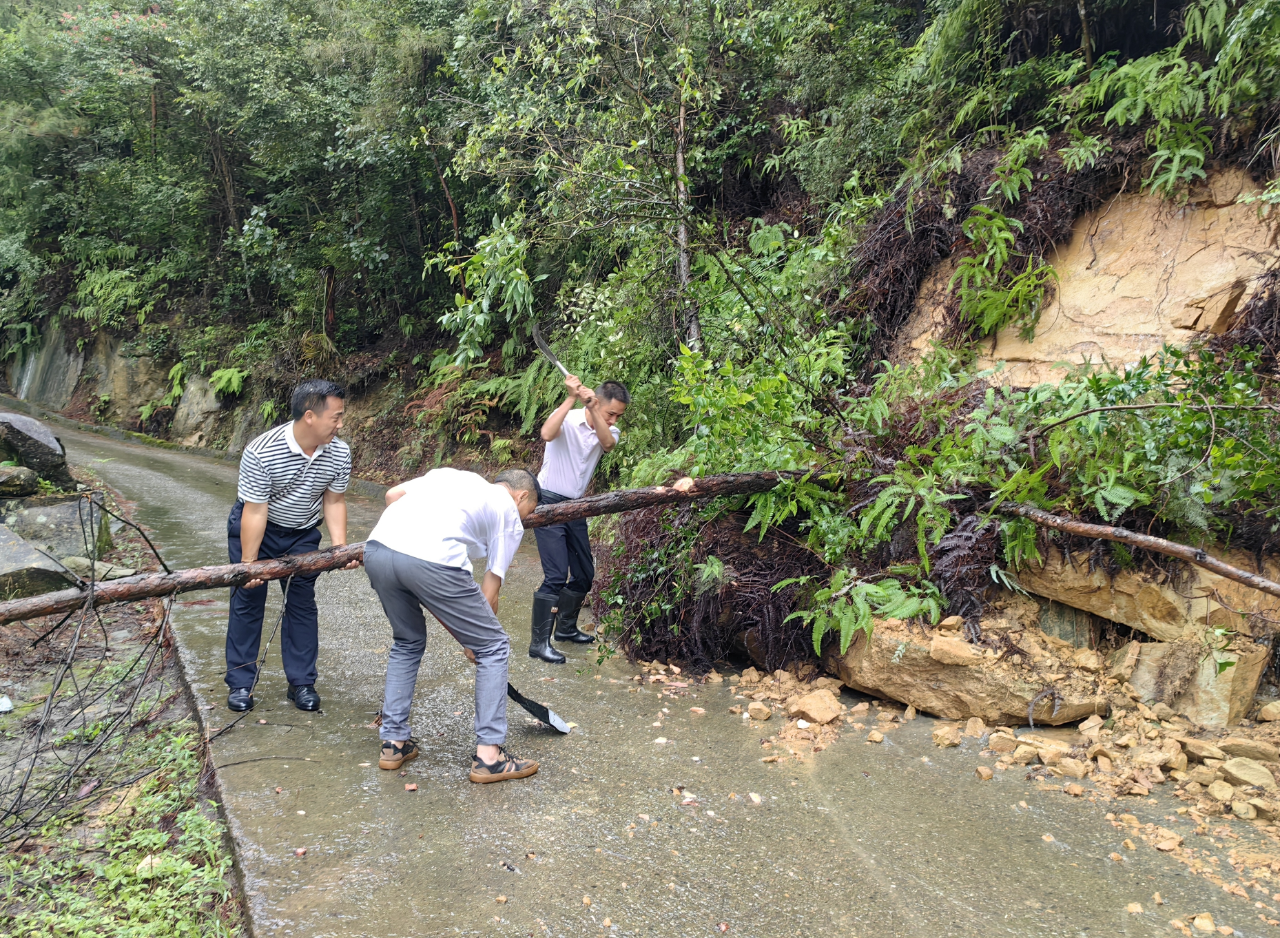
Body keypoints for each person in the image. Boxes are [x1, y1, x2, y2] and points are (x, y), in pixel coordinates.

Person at [363, 467, 542, 783]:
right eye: (528, 512)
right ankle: (490, 758)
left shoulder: (453, 477)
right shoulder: (508, 513)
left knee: (407, 640)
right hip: (431, 559)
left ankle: (394, 743)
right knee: (494, 646)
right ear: (522, 495)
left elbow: (392, 495)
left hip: (378, 548)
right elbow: (491, 589)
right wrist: (476, 642)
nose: (524, 519)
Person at [224, 379, 357, 713]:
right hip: (258, 527)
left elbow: (334, 501)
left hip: (302, 533)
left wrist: (340, 549)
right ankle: (241, 684)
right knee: (248, 599)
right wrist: (249, 564)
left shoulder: (339, 451)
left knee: (301, 603)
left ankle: (301, 683)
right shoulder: (261, 451)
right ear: (310, 416)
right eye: (336, 417)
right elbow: (255, 510)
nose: (340, 424)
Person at [529, 375, 629, 664]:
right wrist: (572, 397)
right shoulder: (568, 419)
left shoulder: (608, 429)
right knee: (556, 575)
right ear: (597, 401)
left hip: (577, 506)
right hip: (547, 501)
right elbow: (547, 434)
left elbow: (608, 444)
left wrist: (599, 414)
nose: (613, 420)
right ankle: (539, 643)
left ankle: (566, 629)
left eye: (617, 416)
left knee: (584, 573)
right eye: (611, 413)